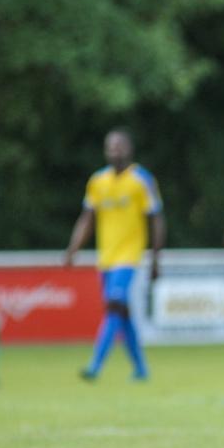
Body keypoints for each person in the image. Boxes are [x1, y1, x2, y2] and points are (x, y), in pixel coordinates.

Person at [64, 128, 164, 381]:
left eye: (119, 146)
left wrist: (155, 258)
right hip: (106, 258)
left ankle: (95, 366)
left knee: (114, 305)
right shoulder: (98, 181)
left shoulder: (142, 179)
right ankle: (141, 369)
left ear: (129, 149)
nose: (114, 151)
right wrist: (73, 249)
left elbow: (156, 219)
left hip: (129, 257)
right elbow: (87, 218)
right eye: (110, 147)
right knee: (121, 312)